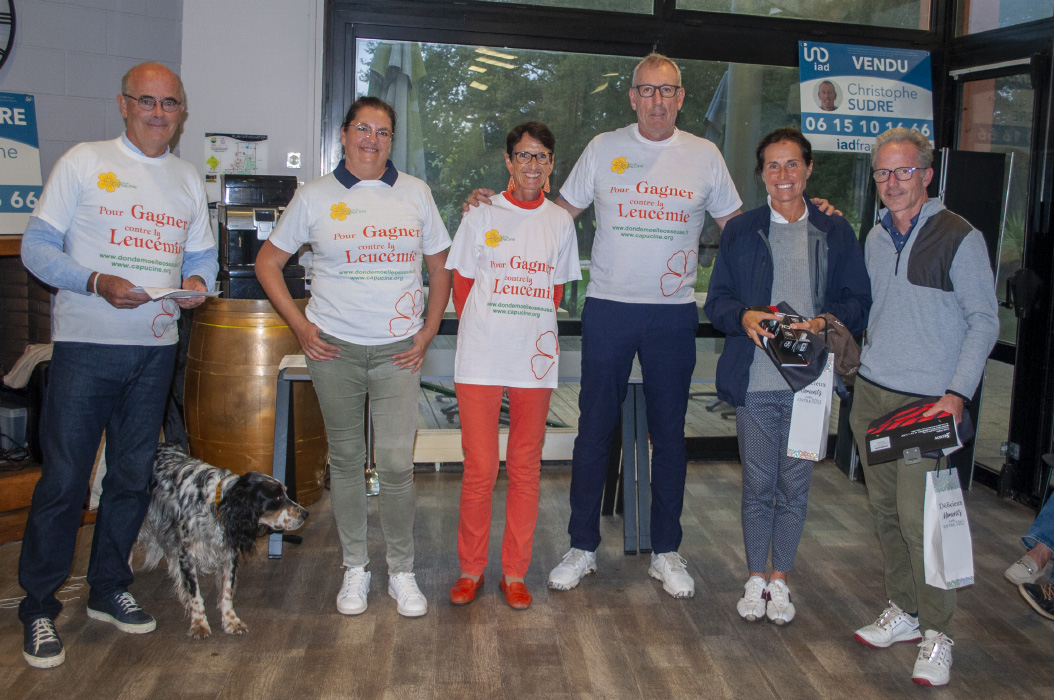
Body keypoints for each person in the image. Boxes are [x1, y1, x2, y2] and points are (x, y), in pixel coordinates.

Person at [17, 62, 218, 669]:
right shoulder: (84, 161)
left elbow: (202, 260)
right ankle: (38, 606)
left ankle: (107, 587)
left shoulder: (187, 179)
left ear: (182, 112)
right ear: (124, 104)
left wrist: (196, 284)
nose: (159, 113)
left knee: (130, 478)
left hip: (155, 351)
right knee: (65, 480)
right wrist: (96, 281)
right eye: (146, 101)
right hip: (86, 349)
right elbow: (36, 249)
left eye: (169, 103)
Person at [256, 96, 451, 619]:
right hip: (334, 350)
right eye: (363, 129)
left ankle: (402, 571)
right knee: (344, 461)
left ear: (392, 140)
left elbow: (441, 268)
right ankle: (355, 567)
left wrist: (428, 331)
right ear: (344, 135)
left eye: (383, 132)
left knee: (395, 463)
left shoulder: (415, 193)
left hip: (398, 351)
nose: (372, 139)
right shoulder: (314, 196)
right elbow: (267, 262)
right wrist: (301, 327)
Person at [848, 128, 998, 686]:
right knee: (886, 514)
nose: (893, 182)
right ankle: (905, 611)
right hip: (873, 393)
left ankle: (939, 632)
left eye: (904, 171)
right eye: (883, 173)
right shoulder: (875, 236)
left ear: (927, 175)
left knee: (924, 522)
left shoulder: (960, 236)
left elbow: (984, 321)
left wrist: (957, 394)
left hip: (927, 405)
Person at [704, 127, 870, 625]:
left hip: (810, 385)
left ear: (809, 168)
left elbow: (858, 300)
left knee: (795, 486)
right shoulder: (741, 231)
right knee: (758, 484)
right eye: (773, 166)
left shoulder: (835, 231)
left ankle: (781, 579)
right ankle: (756, 575)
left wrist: (822, 323)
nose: (783, 174)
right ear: (761, 174)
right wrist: (744, 316)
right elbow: (717, 302)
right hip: (756, 382)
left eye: (792, 164)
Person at [445, 122, 581, 610]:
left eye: (541, 156)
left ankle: (514, 572)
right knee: (480, 467)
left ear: (552, 163)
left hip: (534, 360)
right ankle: (470, 569)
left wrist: (523, 329)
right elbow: (462, 286)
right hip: (481, 357)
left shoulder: (560, 222)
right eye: (523, 155)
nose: (532, 165)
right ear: (508, 161)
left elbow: (555, 292)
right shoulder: (480, 213)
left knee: (525, 467)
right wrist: (491, 328)